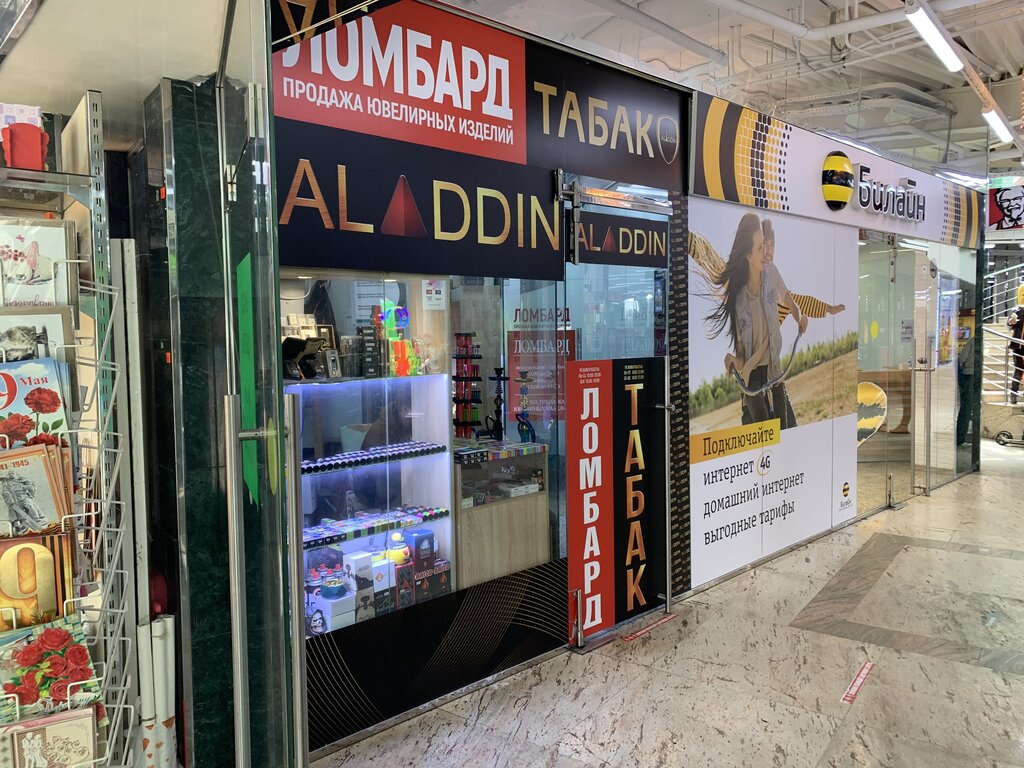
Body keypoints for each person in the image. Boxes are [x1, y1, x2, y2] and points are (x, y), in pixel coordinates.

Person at [706, 212, 796, 429]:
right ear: (748, 256)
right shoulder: (740, 301)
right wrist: (733, 361)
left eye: (767, 245)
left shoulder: (770, 276)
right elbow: (743, 355)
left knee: (786, 433)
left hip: (774, 372)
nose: (766, 253)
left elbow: (787, 296)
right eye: (760, 247)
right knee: (763, 434)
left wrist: (799, 316)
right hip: (753, 379)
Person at [956, 333, 976, 444]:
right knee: (971, 407)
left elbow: (962, 357)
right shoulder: (978, 341)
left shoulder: (973, 340)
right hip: (976, 374)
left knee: (966, 407)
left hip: (968, 374)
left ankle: (960, 437)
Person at [1007, 283, 1024, 404]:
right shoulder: (1016, 311)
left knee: (1019, 369)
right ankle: (1013, 394)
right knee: (1018, 369)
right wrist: (1011, 322)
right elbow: (1008, 325)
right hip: (1018, 345)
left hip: (1018, 344)